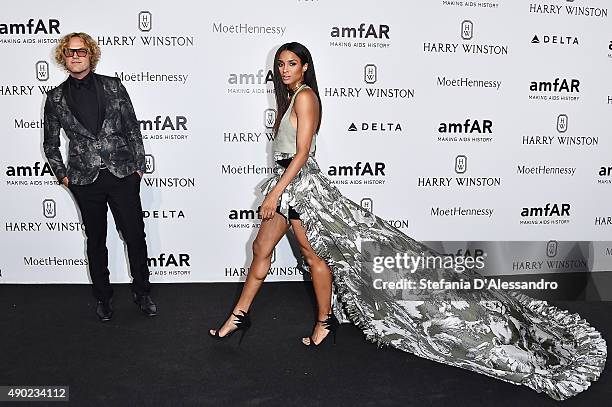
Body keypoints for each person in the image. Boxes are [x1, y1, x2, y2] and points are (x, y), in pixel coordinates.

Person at [209, 42, 606, 400]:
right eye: (280, 64)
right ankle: (237, 318)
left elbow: (302, 153)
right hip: (287, 186)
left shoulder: (306, 98)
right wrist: (278, 188)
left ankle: (323, 322)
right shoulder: (291, 97)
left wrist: (277, 193)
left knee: (316, 258)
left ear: (306, 67)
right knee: (262, 248)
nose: (285, 69)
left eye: (292, 64)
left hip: (300, 189)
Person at [43, 32, 157, 321]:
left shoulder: (113, 86)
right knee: (95, 240)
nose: (76, 56)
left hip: (121, 174)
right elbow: (51, 143)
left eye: (81, 51)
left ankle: (142, 292)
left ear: (91, 54)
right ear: (63, 57)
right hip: (84, 180)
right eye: (70, 52)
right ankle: (103, 298)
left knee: (135, 236)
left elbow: (132, 127)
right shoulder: (55, 98)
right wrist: (63, 176)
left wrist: (138, 167)